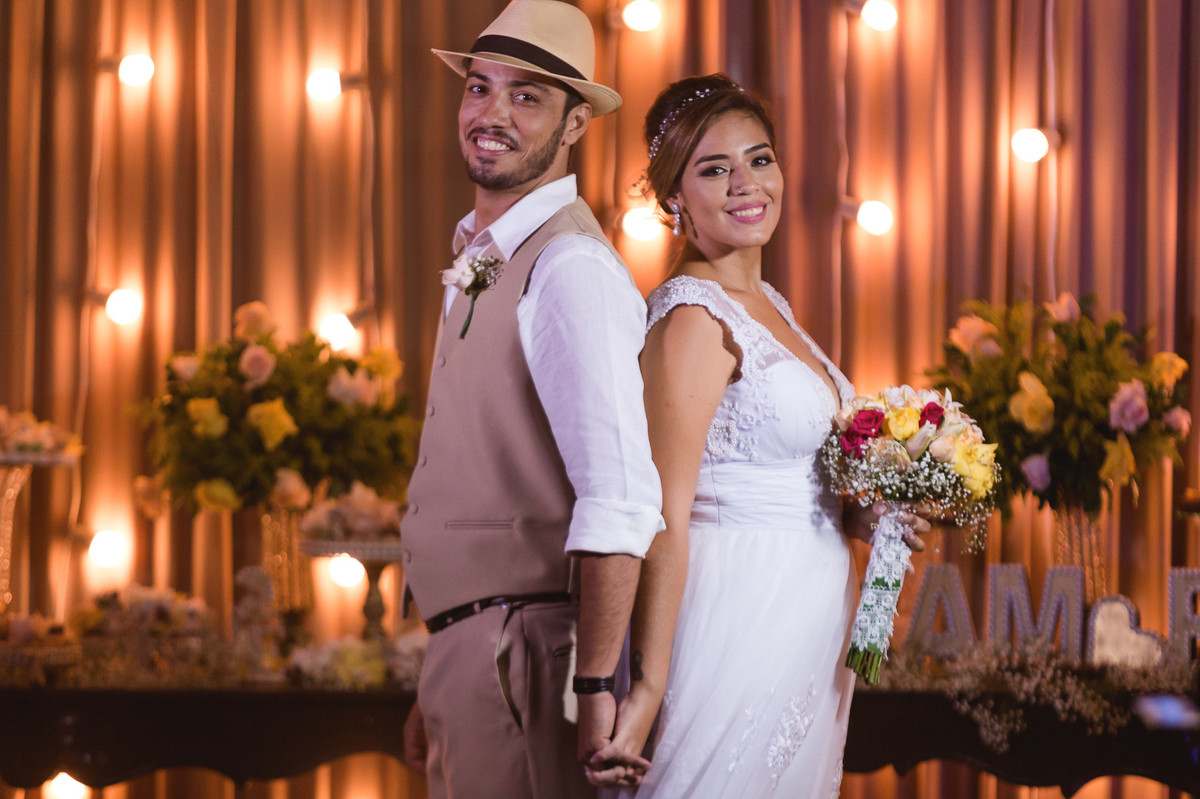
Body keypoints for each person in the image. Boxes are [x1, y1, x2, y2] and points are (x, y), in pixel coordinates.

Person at [592, 74, 930, 797]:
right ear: (673, 196)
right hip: (739, 613)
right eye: (715, 169)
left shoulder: (766, 302)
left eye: (760, 158)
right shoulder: (691, 318)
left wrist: (871, 511)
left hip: (808, 626)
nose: (747, 184)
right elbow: (663, 516)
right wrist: (648, 685)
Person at [398, 2, 663, 798]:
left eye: (527, 97)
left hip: (530, 658)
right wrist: (443, 669)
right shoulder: (489, 253)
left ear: (577, 121)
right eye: (479, 88)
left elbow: (620, 498)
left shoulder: (570, 267)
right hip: (480, 655)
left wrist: (589, 690)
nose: (491, 115)